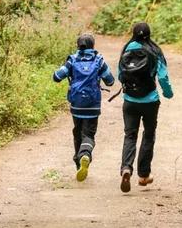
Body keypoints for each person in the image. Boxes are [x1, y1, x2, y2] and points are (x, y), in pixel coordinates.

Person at [117, 21, 173, 192]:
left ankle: (126, 168)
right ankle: (143, 175)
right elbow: (163, 77)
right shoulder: (155, 51)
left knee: (130, 135)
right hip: (150, 101)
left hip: (130, 100)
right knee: (148, 136)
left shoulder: (127, 49)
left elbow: (121, 75)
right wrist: (168, 93)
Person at [53, 32, 115, 181]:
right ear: (93, 46)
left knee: (77, 132)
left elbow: (56, 77)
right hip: (93, 106)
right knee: (89, 134)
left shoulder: (72, 60)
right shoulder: (99, 60)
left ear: (78, 45)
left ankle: (78, 163)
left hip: (77, 105)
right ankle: (85, 155)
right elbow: (110, 81)